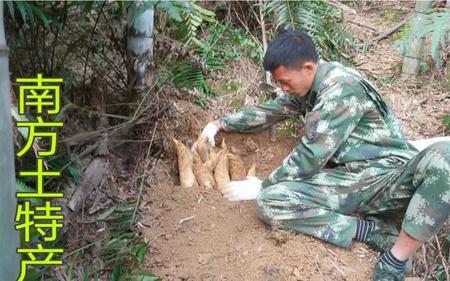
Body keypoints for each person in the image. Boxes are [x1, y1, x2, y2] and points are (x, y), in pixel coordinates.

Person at [199, 31, 450, 281]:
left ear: (308, 67)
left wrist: (261, 184)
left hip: (385, 179)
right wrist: (221, 123)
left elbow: (311, 155)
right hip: (350, 180)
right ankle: (370, 232)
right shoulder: (310, 88)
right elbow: (272, 111)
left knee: (444, 155)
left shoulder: (341, 88)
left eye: (285, 82)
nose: (283, 88)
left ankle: (397, 257)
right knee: (271, 201)